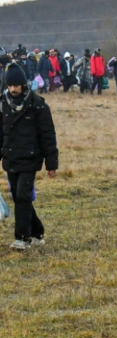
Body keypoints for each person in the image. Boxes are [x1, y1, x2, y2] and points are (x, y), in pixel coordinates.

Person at [0, 63, 58, 250]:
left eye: (16, 85)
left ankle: (22, 238)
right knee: (18, 197)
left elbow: (47, 135)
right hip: (10, 158)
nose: (13, 89)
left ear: (23, 85)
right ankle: (37, 231)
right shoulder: (3, 105)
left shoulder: (38, 105)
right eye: (9, 86)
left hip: (30, 158)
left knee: (23, 196)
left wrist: (51, 163)